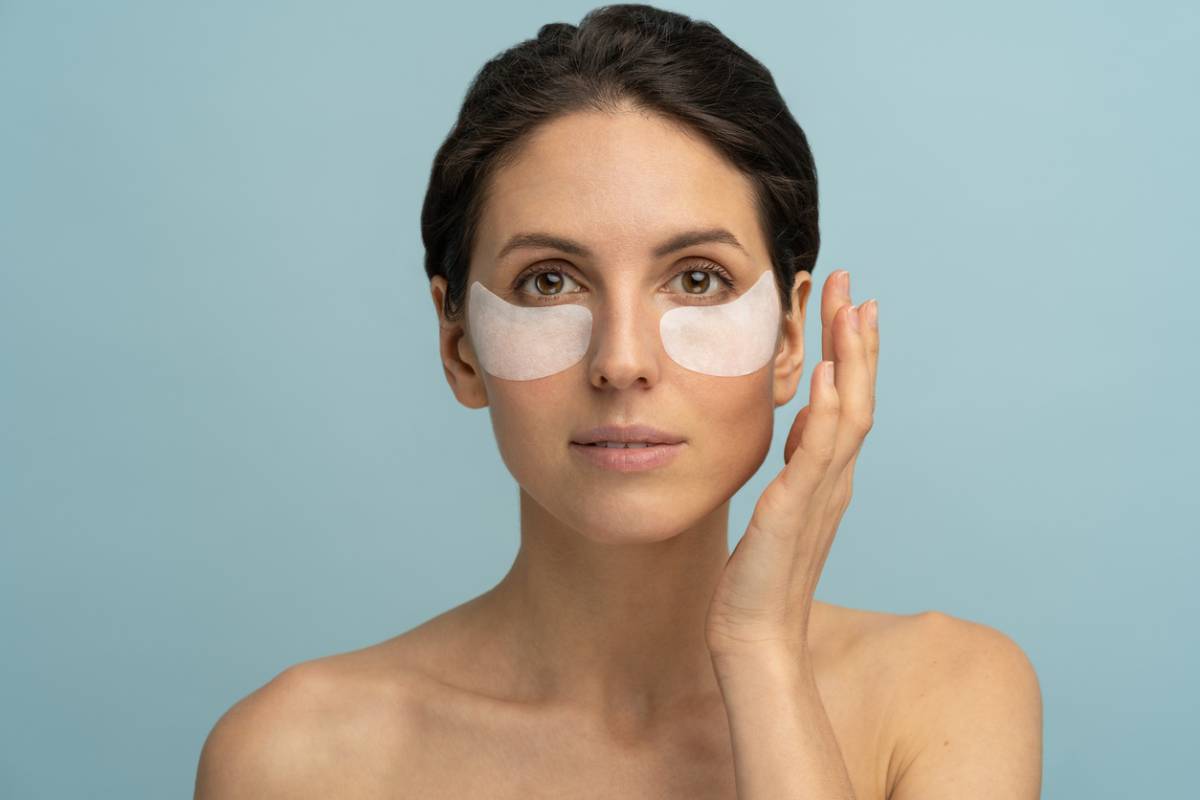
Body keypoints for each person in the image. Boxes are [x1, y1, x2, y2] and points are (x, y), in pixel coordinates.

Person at [194, 5, 1042, 797]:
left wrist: (762, 654)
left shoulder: (946, 696)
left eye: (698, 279)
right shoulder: (295, 758)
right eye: (549, 281)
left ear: (789, 339)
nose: (622, 361)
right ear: (459, 346)